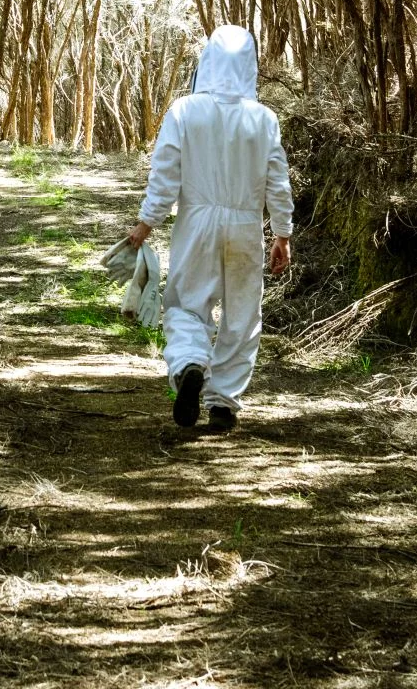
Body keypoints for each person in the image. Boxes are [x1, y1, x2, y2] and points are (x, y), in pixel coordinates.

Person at [124, 25, 293, 431]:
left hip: (196, 221)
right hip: (246, 225)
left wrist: (147, 224)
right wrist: (282, 234)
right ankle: (222, 404)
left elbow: (165, 176)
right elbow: (278, 179)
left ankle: (189, 365)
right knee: (241, 314)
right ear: (249, 66)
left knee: (184, 303)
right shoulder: (264, 119)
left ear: (209, 61)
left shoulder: (185, 111)